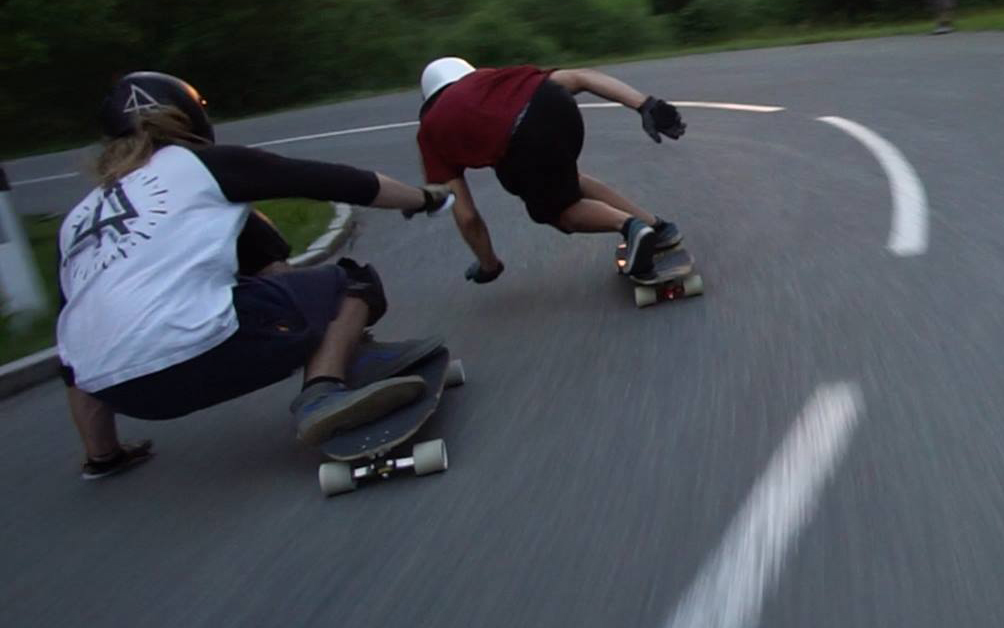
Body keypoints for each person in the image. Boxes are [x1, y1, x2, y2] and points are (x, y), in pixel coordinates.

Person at [58, 72, 455, 480]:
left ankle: (346, 350)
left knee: (256, 247)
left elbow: (72, 354)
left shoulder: (78, 220)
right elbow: (340, 182)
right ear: (192, 117)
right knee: (352, 282)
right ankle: (321, 394)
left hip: (128, 394)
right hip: (205, 351)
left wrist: (103, 455)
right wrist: (424, 197)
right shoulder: (203, 165)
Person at [413, 58, 688, 283]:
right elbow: (583, 78)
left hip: (522, 139)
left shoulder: (431, 130)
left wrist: (489, 264)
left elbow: (467, 216)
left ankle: (632, 228)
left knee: (556, 211)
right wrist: (646, 105)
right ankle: (657, 228)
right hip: (558, 108)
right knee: (563, 181)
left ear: (429, 99)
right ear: (467, 74)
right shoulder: (498, 77)